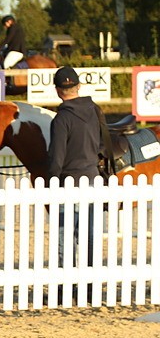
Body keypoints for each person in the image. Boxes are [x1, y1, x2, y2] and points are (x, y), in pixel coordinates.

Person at [48, 66, 108, 275]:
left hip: (68, 183)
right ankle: (91, 281)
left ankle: (67, 285)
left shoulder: (61, 119)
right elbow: (102, 144)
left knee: (64, 236)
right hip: (92, 178)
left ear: (57, 91)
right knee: (90, 234)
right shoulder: (94, 111)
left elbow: (57, 157)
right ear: (79, 87)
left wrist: (51, 182)